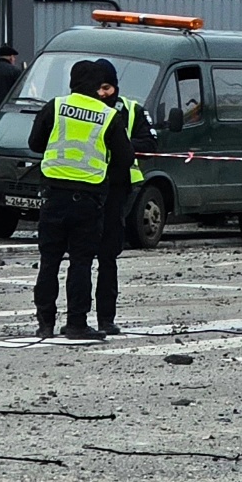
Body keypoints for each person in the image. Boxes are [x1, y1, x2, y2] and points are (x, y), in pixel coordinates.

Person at [26, 60, 133, 341]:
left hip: (53, 195)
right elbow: (126, 158)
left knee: (49, 261)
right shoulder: (107, 115)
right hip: (88, 198)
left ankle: (45, 323)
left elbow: (35, 143)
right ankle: (76, 323)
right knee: (81, 262)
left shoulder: (56, 106)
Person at [91, 59, 157, 337]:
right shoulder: (82, 109)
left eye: (106, 88)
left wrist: (122, 146)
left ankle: (106, 319)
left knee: (108, 257)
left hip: (119, 188)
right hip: (86, 188)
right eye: (98, 88)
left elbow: (151, 142)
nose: (102, 94)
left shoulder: (131, 110)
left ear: (115, 87)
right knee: (80, 258)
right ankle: (73, 320)